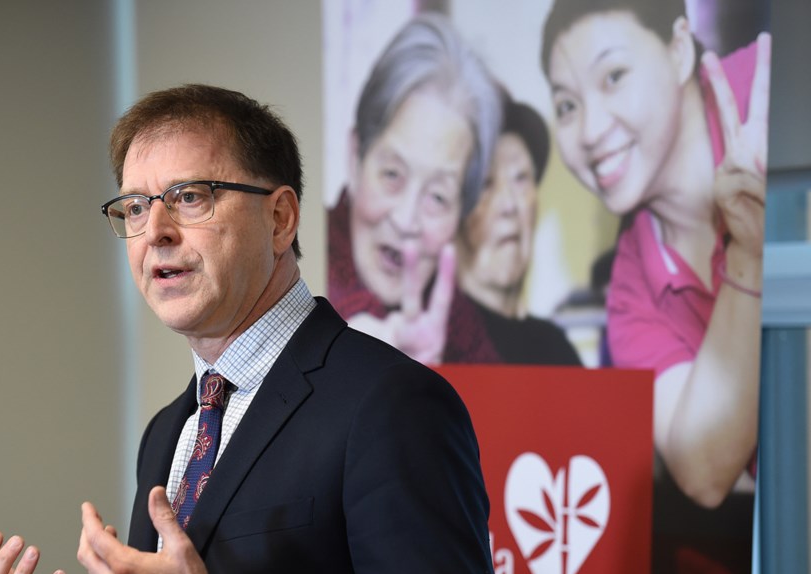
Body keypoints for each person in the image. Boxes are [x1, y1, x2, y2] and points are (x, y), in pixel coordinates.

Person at [0, 84, 501, 574]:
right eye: (135, 206)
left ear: (280, 219)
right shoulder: (169, 430)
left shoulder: (390, 404)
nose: (156, 233)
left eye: (190, 197)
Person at [541, 0, 769, 509]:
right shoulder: (630, 291)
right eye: (566, 106)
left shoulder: (771, 89)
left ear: (680, 50)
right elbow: (705, 470)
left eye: (614, 75)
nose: (591, 131)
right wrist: (749, 258)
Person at [327, 12, 505, 365]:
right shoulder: (282, 275)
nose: (407, 221)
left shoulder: (460, 326)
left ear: (461, 213)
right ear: (355, 158)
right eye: (392, 174)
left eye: (438, 197)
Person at [455, 97, 582, 366]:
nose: (509, 204)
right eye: (486, 184)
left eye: (521, 178)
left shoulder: (555, 349)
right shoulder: (429, 340)